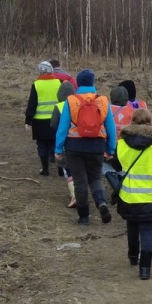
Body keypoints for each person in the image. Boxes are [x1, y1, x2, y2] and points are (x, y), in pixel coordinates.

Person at [52, 68, 113, 224]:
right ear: (92, 83)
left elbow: (63, 127)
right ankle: (101, 203)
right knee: (95, 177)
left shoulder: (71, 100)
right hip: (97, 146)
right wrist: (110, 149)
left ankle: (84, 216)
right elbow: (111, 128)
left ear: (78, 83)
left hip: (74, 147)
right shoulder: (103, 101)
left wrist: (58, 149)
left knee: (80, 181)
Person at [114, 105, 152, 279]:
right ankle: (145, 268)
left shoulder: (121, 143)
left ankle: (132, 256)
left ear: (132, 122)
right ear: (150, 122)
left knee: (131, 224)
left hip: (128, 195)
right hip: (151, 195)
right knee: (147, 230)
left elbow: (116, 165)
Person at [22, 61, 75, 177]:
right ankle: (61, 169)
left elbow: (32, 104)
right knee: (56, 144)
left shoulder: (36, 85)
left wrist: (28, 121)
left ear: (40, 72)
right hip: (56, 120)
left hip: (39, 121)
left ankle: (45, 169)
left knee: (41, 145)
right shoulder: (59, 82)